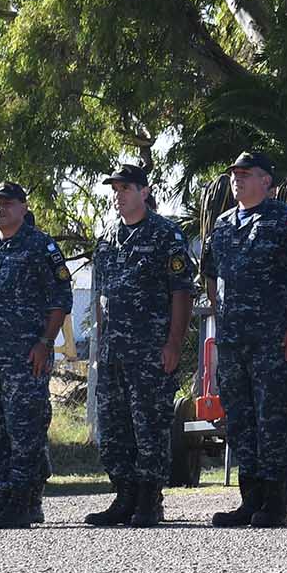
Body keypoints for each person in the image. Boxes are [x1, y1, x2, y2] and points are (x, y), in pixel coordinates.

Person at [204, 150, 287, 529]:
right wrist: (223, 317)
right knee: (240, 421)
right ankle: (250, 498)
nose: (237, 179)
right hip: (234, 343)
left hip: (275, 341)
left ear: (266, 181)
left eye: (246, 173)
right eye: (234, 174)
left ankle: (276, 500)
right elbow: (211, 276)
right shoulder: (222, 225)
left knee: (275, 420)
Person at [84, 164, 194, 528]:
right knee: (115, 428)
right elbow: (101, 298)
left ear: (144, 192)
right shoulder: (107, 238)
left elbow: (181, 292)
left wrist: (174, 343)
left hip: (150, 351)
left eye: (126, 188)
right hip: (113, 353)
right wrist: (101, 348)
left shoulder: (166, 235)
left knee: (150, 426)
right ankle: (124, 496)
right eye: (115, 190)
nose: (119, 195)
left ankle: (149, 499)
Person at [0, 182, 71, 529]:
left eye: (8, 203)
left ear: (24, 208)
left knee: (24, 430)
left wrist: (45, 341)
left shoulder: (40, 246)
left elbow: (60, 299)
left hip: (25, 358)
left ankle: (24, 501)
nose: (1, 209)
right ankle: (2, 498)